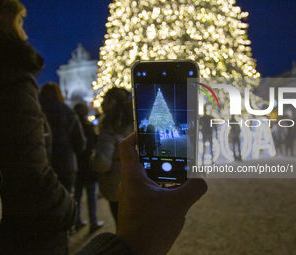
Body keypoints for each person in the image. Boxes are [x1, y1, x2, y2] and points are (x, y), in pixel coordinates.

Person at [0, 0, 76, 254]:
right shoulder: (12, 80)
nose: (25, 33)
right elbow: (29, 174)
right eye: (19, 22)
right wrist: (69, 209)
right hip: (27, 234)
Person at [77, 133, 208, 255]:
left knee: (122, 213)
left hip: (119, 183)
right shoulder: (130, 131)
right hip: (137, 177)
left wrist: (127, 241)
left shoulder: (108, 132)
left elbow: (101, 163)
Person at [92, 88, 133, 226]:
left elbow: (102, 163)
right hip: (135, 179)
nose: (102, 104)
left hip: (116, 184)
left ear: (113, 102)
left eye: (105, 100)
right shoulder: (134, 121)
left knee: (122, 225)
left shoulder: (109, 128)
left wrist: (92, 160)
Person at [39, 82, 86, 193]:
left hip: (41, 164)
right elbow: (79, 144)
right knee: (66, 202)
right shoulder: (68, 113)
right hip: (65, 164)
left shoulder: (37, 111)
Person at [74, 102, 104, 233]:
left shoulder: (73, 126)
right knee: (91, 195)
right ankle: (93, 221)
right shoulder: (89, 127)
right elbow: (95, 145)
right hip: (89, 165)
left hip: (77, 165)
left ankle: (77, 221)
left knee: (77, 195)